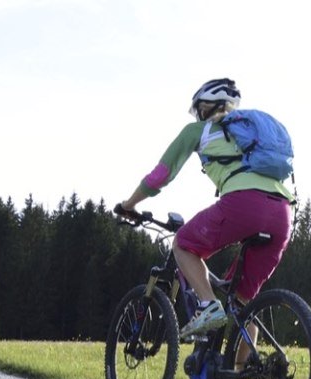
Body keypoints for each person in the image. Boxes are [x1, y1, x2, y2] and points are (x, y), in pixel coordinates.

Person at [116, 77, 295, 337]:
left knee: (183, 243)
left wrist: (129, 204)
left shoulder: (198, 130)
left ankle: (209, 305)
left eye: (199, 109)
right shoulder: (248, 132)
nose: (198, 115)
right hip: (282, 213)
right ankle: (240, 378)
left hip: (244, 204)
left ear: (208, 106)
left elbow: (161, 176)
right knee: (242, 307)